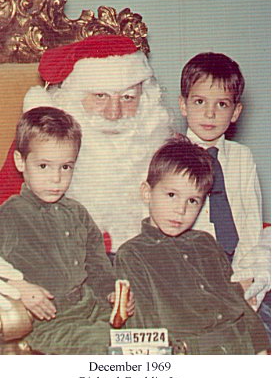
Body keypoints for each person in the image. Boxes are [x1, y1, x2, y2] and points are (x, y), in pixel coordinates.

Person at [0, 34, 173, 257]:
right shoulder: (40, 144)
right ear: (75, 96)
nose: (114, 113)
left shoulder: (160, 142)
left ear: (146, 99)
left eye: (128, 98)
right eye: (100, 96)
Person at [114, 135, 269, 354]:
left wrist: (261, 347)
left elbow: (236, 302)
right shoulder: (133, 254)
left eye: (192, 200)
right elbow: (143, 327)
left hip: (238, 344)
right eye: (171, 195)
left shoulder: (206, 243)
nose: (181, 209)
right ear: (147, 193)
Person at [0, 106, 119, 355]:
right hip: (47, 322)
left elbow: (98, 265)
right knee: (106, 348)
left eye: (66, 167)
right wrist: (19, 286)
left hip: (91, 307)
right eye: (44, 166)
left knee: (148, 333)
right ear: (20, 161)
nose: (56, 178)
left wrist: (110, 292)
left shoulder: (77, 212)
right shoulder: (10, 214)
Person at [178, 52, 270, 333]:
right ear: (183, 105)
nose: (210, 113)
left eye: (221, 104)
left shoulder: (243, 157)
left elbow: (251, 222)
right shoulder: (171, 156)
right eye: (199, 102)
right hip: (194, 267)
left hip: (240, 261)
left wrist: (247, 275)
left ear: (235, 112)